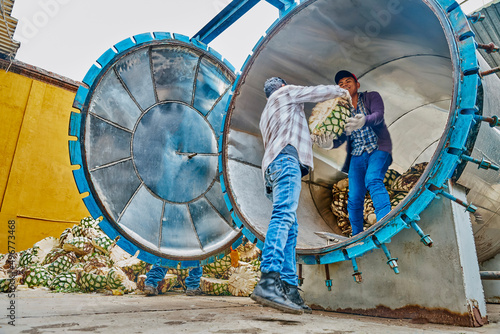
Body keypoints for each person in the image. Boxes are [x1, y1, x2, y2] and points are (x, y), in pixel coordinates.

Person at [251, 77, 350, 314]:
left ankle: (289, 289)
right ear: (283, 86)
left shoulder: (267, 112)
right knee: (283, 216)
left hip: (273, 168)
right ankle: (268, 280)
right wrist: (342, 92)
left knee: (291, 228)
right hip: (286, 162)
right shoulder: (285, 94)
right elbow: (313, 92)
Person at [313, 70, 392, 236]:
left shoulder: (371, 97)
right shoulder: (341, 110)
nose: (344, 86)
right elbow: (340, 138)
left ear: (357, 84)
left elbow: (378, 115)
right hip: (357, 156)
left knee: (373, 180)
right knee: (354, 197)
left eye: (348, 81)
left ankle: (386, 223)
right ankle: (357, 235)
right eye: (340, 84)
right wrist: (328, 144)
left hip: (377, 149)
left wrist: (364, 119)